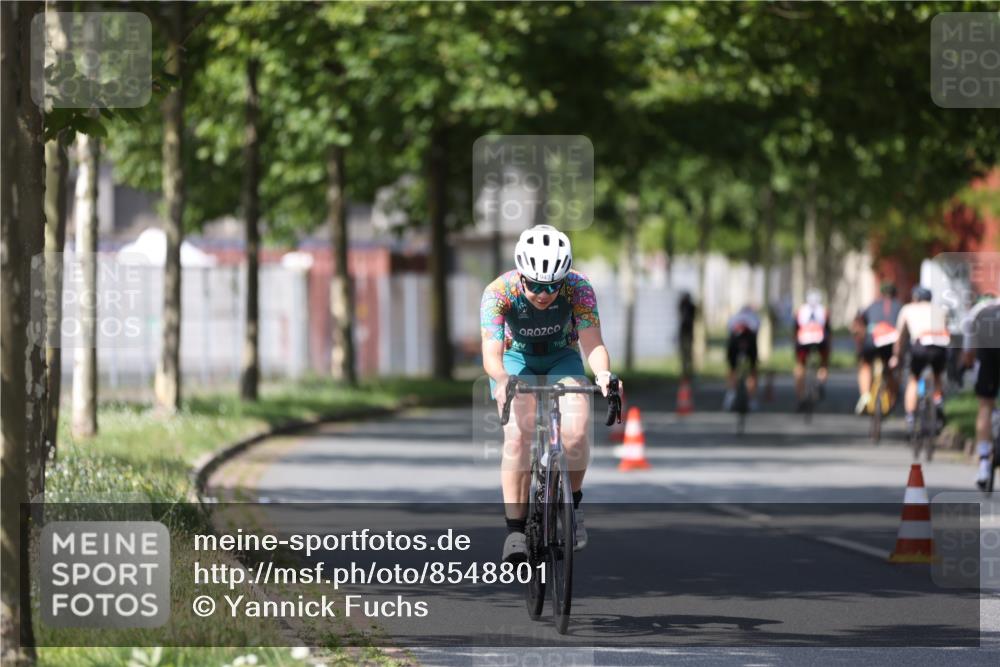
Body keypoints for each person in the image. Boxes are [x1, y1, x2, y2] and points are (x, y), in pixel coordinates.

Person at [479, 224, 616, 564]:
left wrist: (603, 375)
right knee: (518, 435)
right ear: (521, 276)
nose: (544, 293)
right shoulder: (499, 292)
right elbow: (491, 354)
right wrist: (500, 379)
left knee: (577, 429)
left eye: (552, 285)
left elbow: (592, 342)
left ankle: (572, 505)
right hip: (515, 360)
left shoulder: (579, 288)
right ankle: (515, 530)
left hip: (562, 357)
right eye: (536, 285)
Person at [889, 286, 951, 435]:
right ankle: (938, 401)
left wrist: (896, 356)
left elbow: (900, 336)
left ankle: (910, 417)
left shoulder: (908, 309)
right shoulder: (941, 309)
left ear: (915, 297)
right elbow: (947, 330)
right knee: (937, 375)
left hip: (920, 344)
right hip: (939, 345)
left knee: (913, 379)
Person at [960, 293, 1000, 488]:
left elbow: (968, 351)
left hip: (987, 358)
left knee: (984, 405)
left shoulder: (979, 311)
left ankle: (983, 462)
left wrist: (967, 365)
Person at [853, 282, 903, 415]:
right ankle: (892, 400)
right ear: (895, 294)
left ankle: (865, 396)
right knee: (893, 369)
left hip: (873, 338)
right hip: (892, 340)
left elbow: (858, 324)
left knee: (865, 364)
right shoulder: (900, 306)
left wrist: (859, 343)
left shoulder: (871, 306)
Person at [794, 289, 831, 410]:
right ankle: (820, 380)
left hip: (803, 339)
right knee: (824, 362)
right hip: (820, 339)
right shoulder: (824, 310)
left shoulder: (800, 310)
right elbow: (828, 331)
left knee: (800, 365)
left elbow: (795, 329)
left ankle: (800, 397)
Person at [722, 304, 760, 411]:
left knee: (732, 368)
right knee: (753, 369)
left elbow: (729, 332)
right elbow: (756, 333)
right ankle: (752, 399)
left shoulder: (734, 318)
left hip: (734, 342)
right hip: (750, 343)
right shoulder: (755, 317)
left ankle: (730, 395)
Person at [678, 292, 696, 381]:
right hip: (683, 332)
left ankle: (689, 372)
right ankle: (684, 372)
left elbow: (691, 317)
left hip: (688, 333)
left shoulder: (691, 307)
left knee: (688, 354)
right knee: (683, 354)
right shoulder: (682, 306)